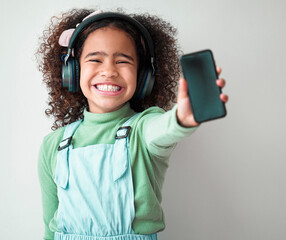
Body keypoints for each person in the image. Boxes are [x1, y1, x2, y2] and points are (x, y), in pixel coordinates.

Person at [36, 8, 228, 240]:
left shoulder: (143, 128)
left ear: (144, 76)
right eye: (95, 59)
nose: (108, 71)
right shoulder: (53, 145)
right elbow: (50, 226)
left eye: (123, 61)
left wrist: (182, 118)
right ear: (72, 70)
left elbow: (164, 128)